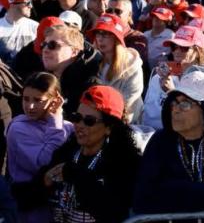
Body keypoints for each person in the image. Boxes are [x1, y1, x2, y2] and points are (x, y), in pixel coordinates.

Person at [133, 72, 204, 213]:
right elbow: (142, 199)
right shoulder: (160, 141)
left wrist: (174, 190)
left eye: (184, 104)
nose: (175, 109)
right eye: (173, 103)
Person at [41, 86, 141, 222]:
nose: (79, 125)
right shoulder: (66, 152)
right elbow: (30, 197)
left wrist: (76, 176)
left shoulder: (124, 163)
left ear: (109, 128)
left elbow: (112, 212)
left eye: (89, 121)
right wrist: (44, 182)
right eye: (77, 117)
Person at [7, 72, 72, 223]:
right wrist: (55, 124)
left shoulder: (67, 126)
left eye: (38, 100)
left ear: (55, 101)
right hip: (32, 208)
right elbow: (45, 163)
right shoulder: (18, 128)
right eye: (26, 99)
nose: (30, 106)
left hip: (62, 208)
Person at [142, 25, 204, 129]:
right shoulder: (158, 77)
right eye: (174, 46)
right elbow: (147, 116)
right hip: (153, 136)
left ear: (198, 51)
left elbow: (197, 121)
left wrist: (172, 92)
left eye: (184, 48)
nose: (177, 51)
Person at [88, 14, 144, 123]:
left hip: (125, 122)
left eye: (106, 34)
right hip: (95, 121)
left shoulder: (132, 65)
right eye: (98, 33)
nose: (100, 38)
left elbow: (129, 102)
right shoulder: (92, 61)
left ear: (117, 38)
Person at [41, 25, 101, 116]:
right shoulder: (43, 79)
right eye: (44, 45)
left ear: (74, 51)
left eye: (52, 45)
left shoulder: (89, 87)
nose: (45, 50)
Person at [0, 0, 38, 65]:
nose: (31, 6)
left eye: (31, 2)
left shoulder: (35, 26)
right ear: (12, 4)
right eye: (27, 2)